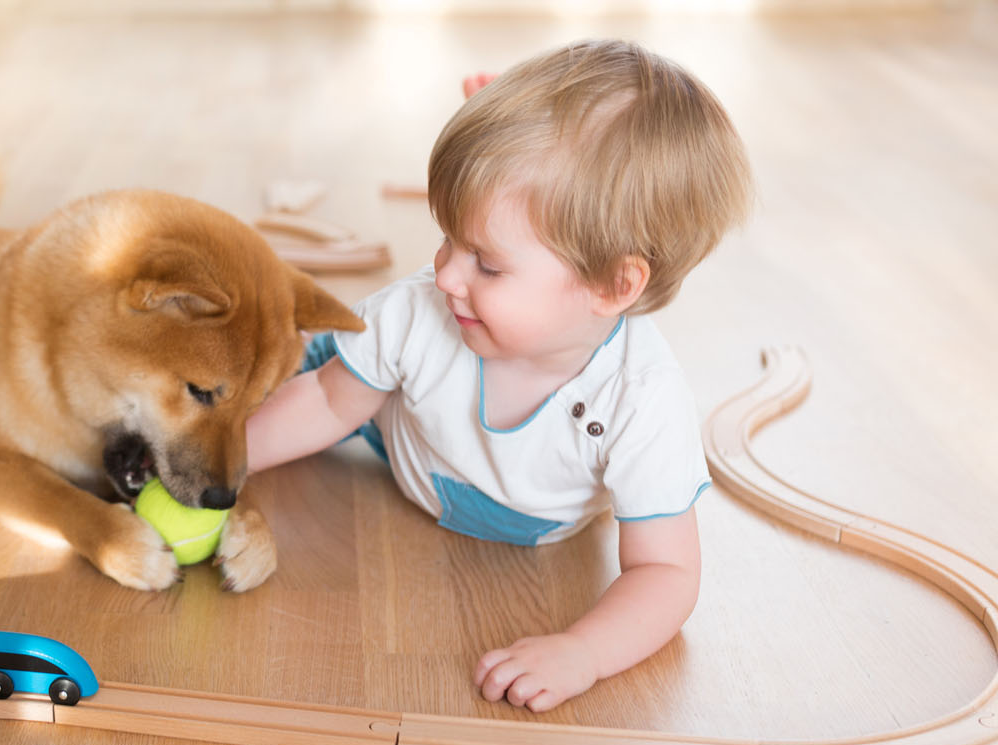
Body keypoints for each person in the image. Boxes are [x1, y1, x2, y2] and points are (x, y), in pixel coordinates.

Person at [245, 39, 753, 711]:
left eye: (486, 262)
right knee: (282, 360)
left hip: (455, 450)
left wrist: (585, 651)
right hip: (394, 425)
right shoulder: (424, 312)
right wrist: (213, 460)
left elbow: (667, 571)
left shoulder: (642, 401)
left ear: (613, 285)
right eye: (448, 239)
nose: (445, 274)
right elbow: (330, 402)